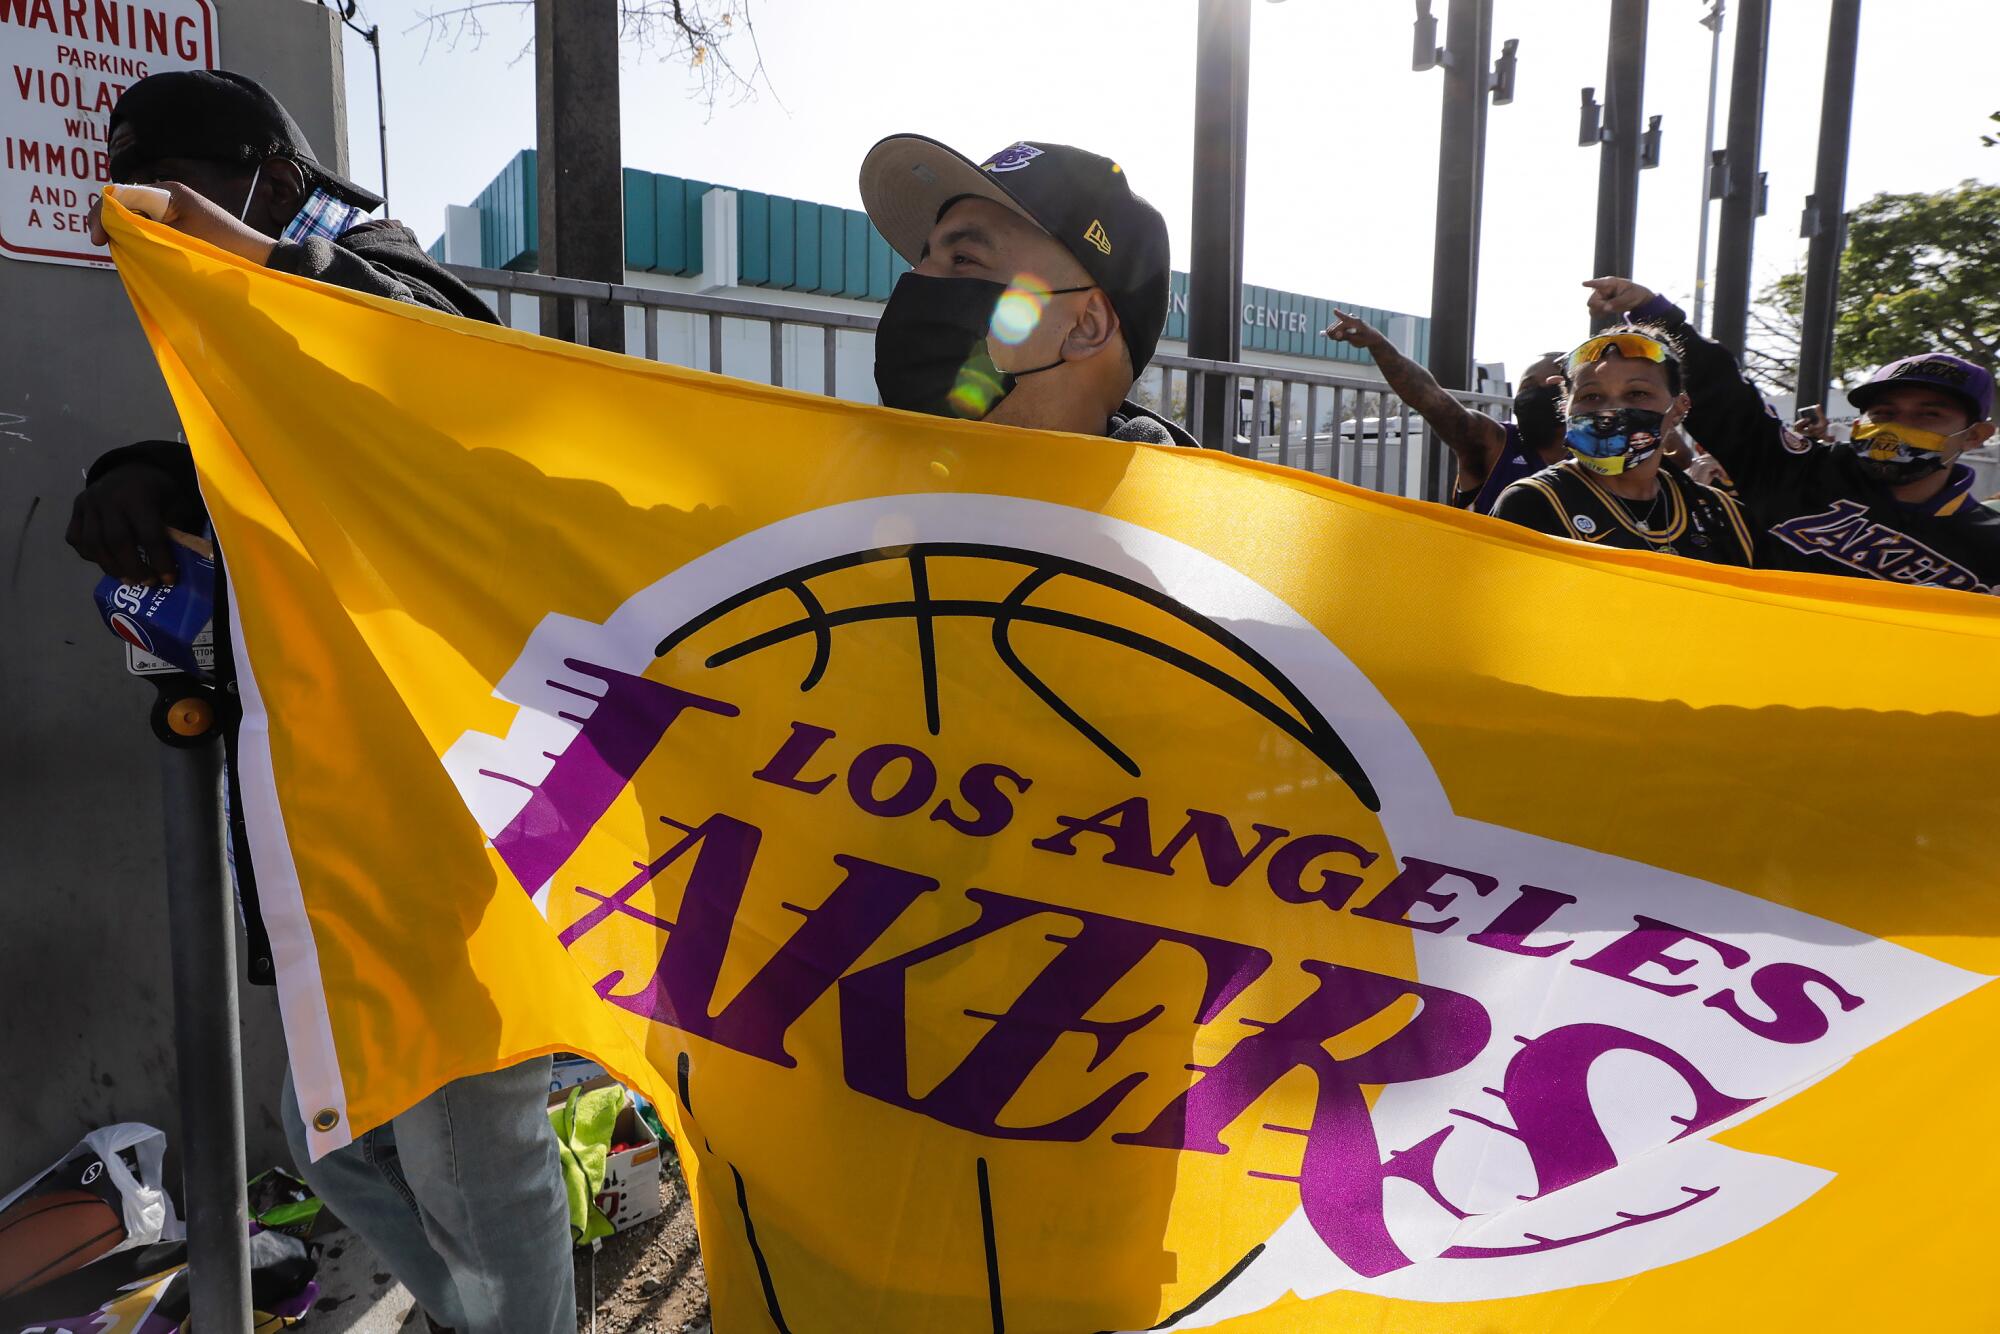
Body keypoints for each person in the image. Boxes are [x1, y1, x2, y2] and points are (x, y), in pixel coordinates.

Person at [65, 71, 573, 1334]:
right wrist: (151, 471)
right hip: (338, 831)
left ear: (275, 188)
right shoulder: (267, 329)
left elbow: (446, 381)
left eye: (177, 197)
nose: (161, 231)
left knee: (470, 1150)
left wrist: (246, 256)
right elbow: (313, 471)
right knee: (332, 1135)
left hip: (433, 822)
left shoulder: (367, 270)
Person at [1582, 277, 2000, 593]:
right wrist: (1655, 314)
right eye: (1883, 412)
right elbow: (1726, 399)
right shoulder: (1797, 471)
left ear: (1976, 434)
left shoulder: (1990, 542)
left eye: (1928, 415)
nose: (1898, 426)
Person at [857, 135, 1196, 444]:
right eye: (923, 258)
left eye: (963, 259)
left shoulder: (1170, 512)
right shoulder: (841, 491)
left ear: (1086, 326)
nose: (919, 279)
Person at [1490, 328, 1757, 566]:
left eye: (1637, 394)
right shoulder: (1533, 503)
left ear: (1679, 407)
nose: (1610, 411)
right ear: (1564, 409)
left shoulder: (1723, 515)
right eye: (1591, 396)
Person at [1322, 312, 1568, 513]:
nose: (1531, 394)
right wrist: (1378, 345)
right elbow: (1430, 398)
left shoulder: (1596, 460)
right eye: (1526, 387)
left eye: (1546, 385)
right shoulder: (1494, 443)